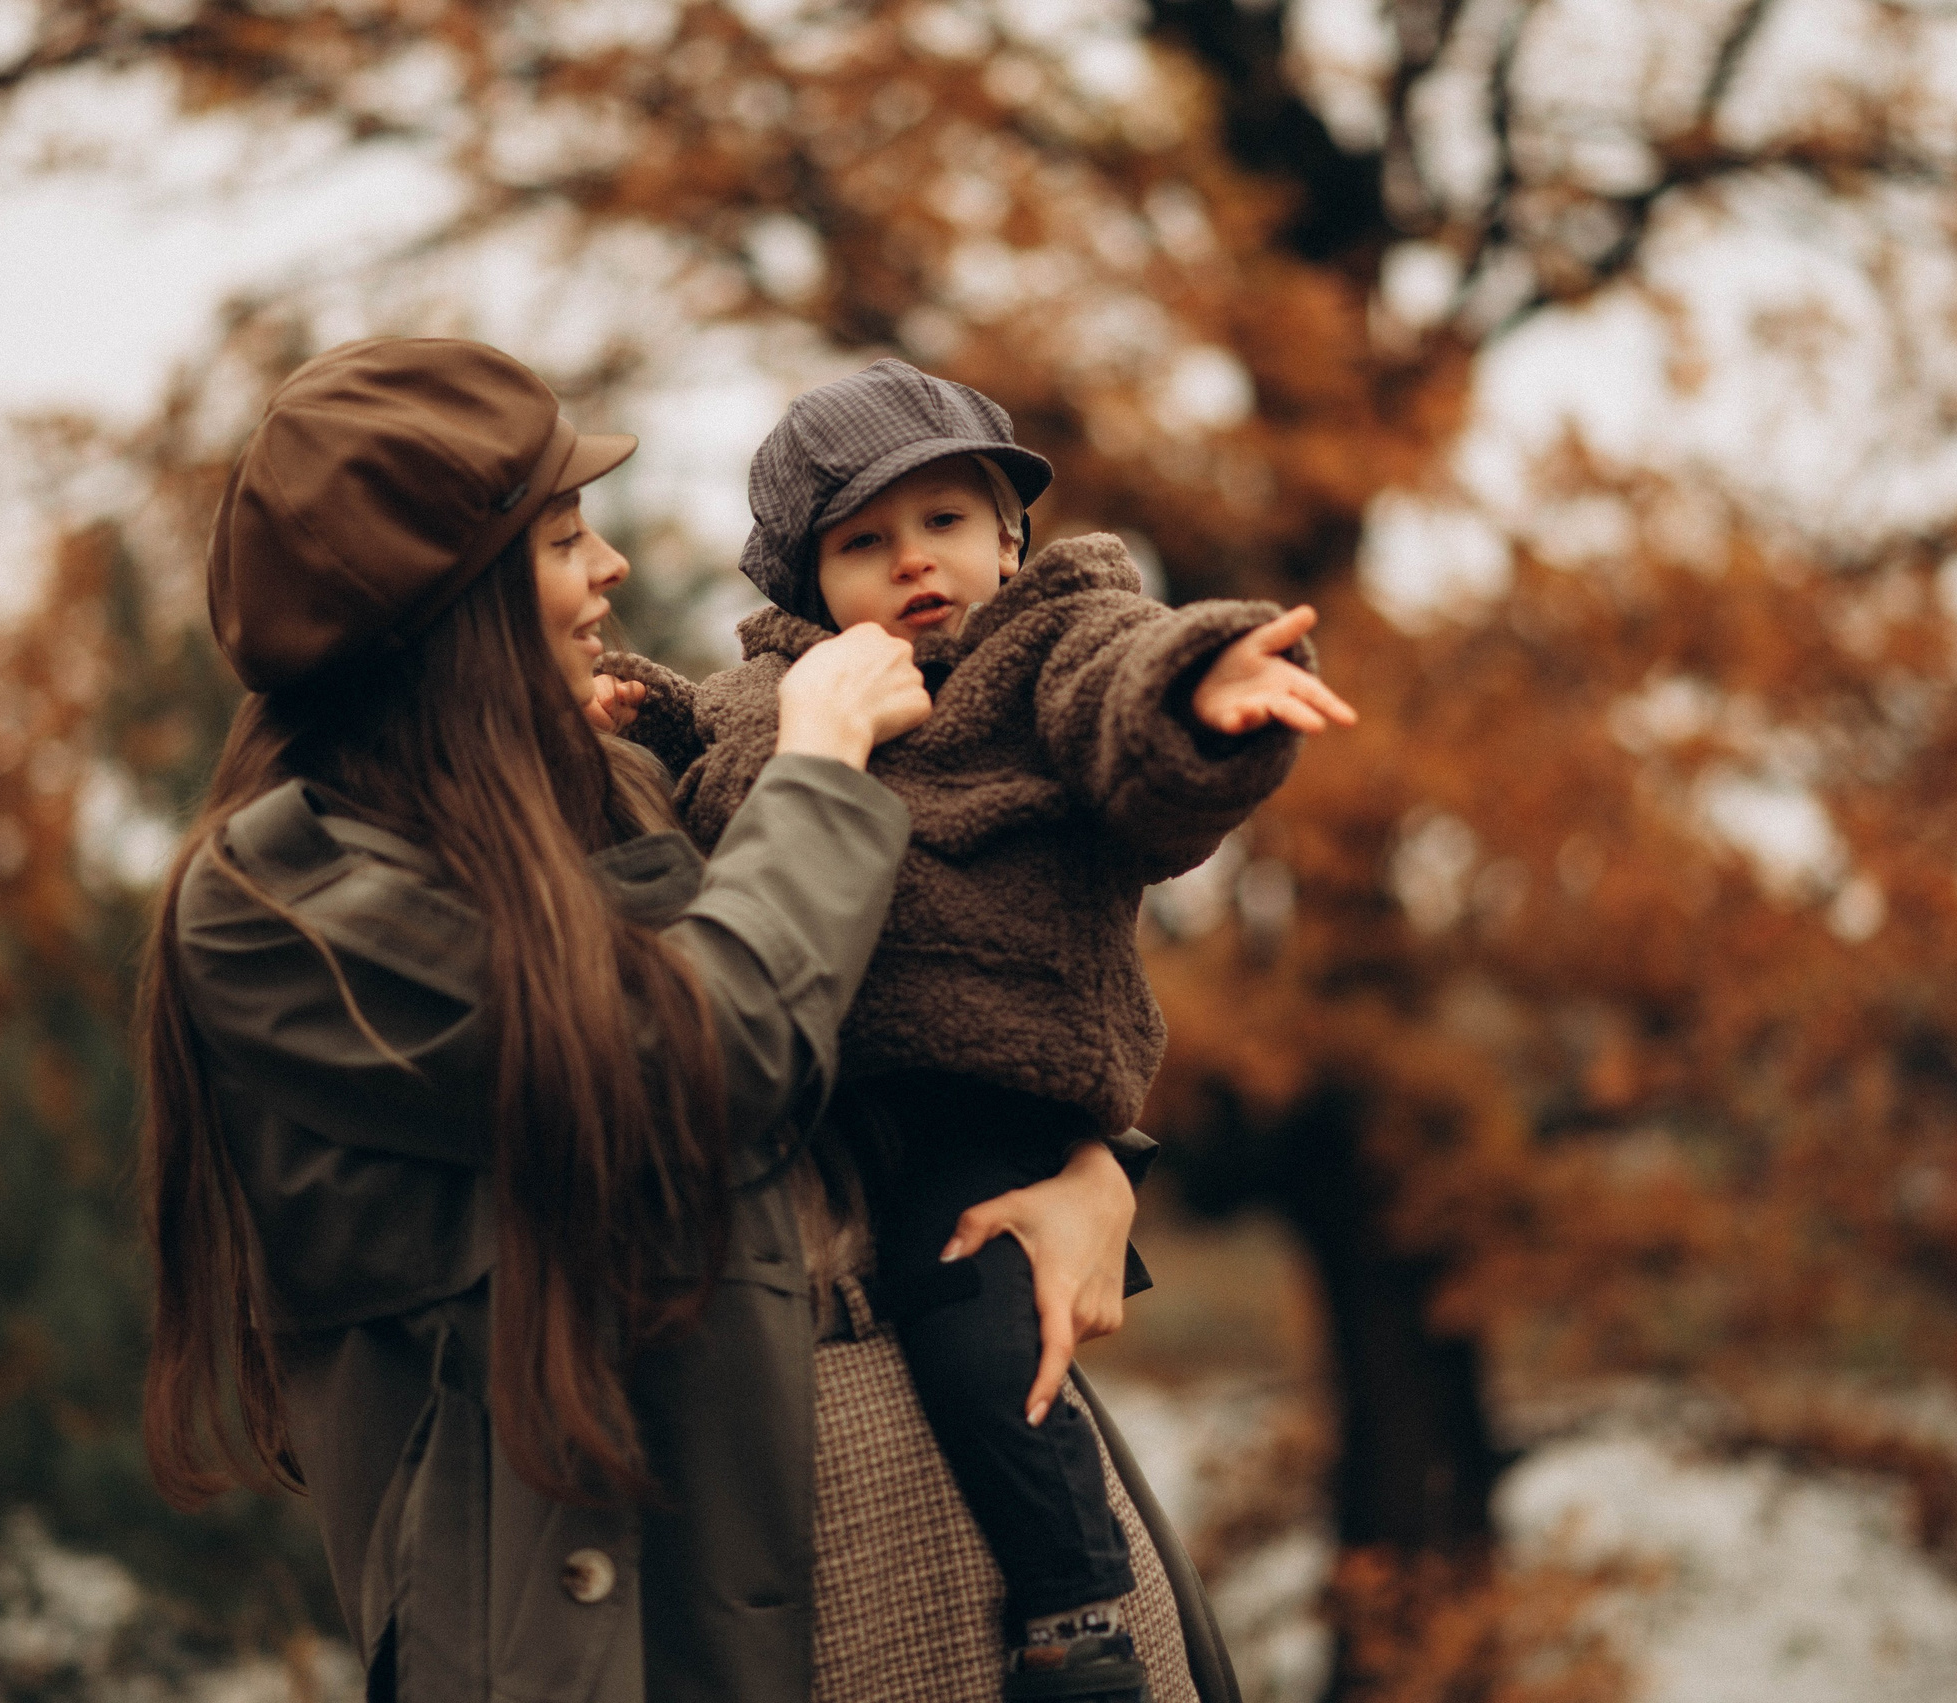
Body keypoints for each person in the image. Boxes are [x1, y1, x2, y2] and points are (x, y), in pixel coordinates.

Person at [134, 337, 1233, 1703]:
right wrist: (823, 764)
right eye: (560, 540)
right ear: (449, 602)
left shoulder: (632, 785)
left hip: (980, 1548)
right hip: (688, 1615)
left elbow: (946, 983)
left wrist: (1088, 1171)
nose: (611, 571)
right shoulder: (284, 905)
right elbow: (691, 1072)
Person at [602, 359, 1355, 1703]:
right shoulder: (787, 693)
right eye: (864, 544)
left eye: (945, 522)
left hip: (991, 1092)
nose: (914, 565)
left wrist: (1202, 691)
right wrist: (645, 717)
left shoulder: (1049, 647)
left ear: (1011, 535)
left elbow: (1123, 710)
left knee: (980, 1334)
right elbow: (710, 779)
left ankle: (1077, 1616)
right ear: (803, 585)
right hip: (830, 1101)